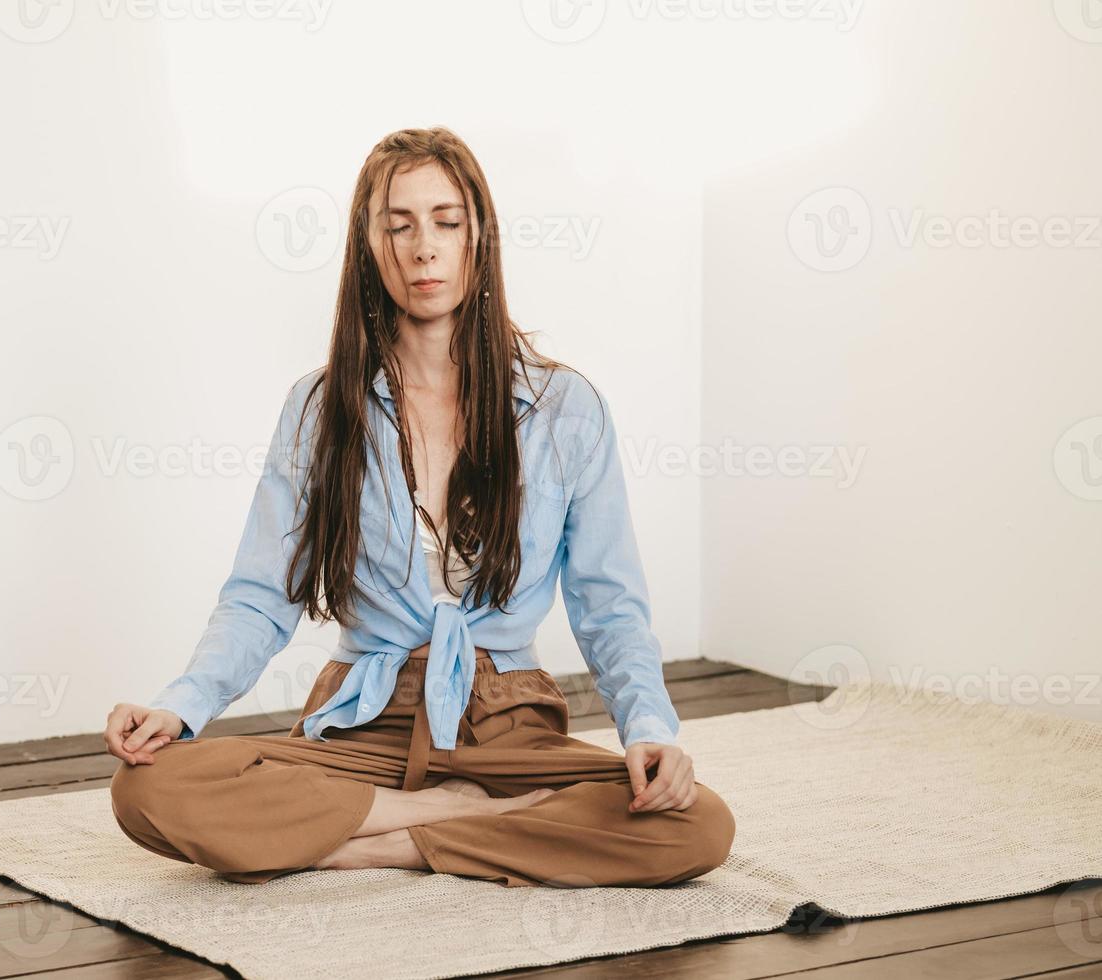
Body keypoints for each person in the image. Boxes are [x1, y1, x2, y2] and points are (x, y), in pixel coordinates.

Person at [105, 126, 735, 888]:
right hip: (365, 717)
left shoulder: (564, 409)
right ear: (368, 248)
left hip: (506, 722)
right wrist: (182, 704)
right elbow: (259, 596)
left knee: (696, 823)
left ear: (479, 238)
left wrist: (649, 729)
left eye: (445, 221)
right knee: (148, 788)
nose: (422, 248)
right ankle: (464, 822)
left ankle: (376, 840)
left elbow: (611, 609)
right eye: (397, 225)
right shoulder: (317, 408)